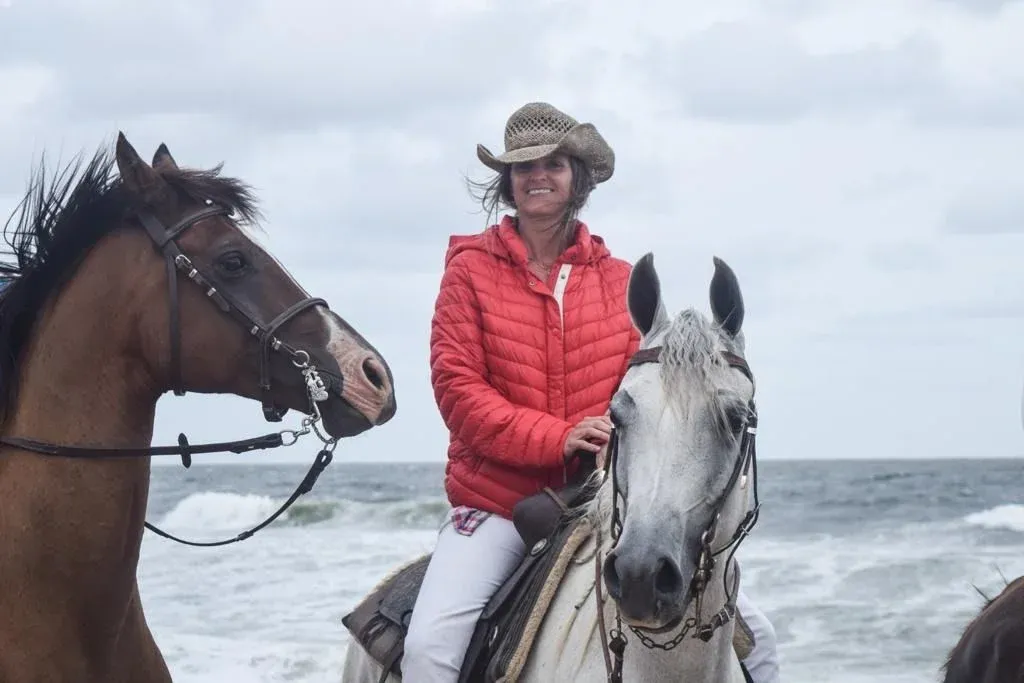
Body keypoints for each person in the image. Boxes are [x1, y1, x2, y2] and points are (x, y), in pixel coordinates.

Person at [402, 101, 780, 683]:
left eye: (553, 164)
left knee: (763, 648)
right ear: (508, 181)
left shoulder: (619, 280)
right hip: (496, 505)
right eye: (524, 166)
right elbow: (458, 389)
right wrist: (559, 437)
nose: (538, 176)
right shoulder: (469, 271)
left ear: (577, 178)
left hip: (607, 504)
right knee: (430, 650)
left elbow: (644, 397)